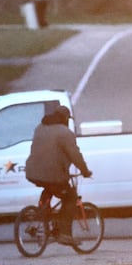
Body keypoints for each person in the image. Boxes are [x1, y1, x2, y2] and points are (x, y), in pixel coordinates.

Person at [25, 105, 93, 246]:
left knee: (48, 187)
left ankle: (43, 216)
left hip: (32, 172)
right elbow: (75, 155)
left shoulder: (40, 127)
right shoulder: (65, 132)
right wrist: (85, 171)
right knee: (70, 197)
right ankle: (64, 234)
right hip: (52, 175)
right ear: (65, 118)